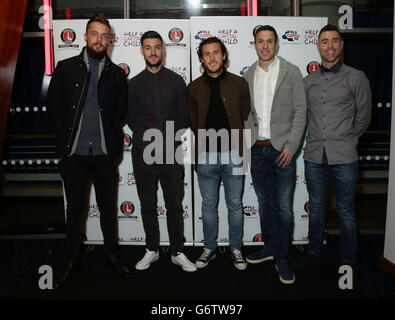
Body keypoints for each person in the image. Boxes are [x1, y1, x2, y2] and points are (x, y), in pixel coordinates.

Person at [47, 15, 129, 289]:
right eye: (94, 34)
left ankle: (111, 255)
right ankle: (71, 259)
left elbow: (120, 114)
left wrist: (113, 145)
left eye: (105, 36)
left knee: (108, 210)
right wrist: (64, 143)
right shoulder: (66, 68)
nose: (99, 40)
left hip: (104, 156)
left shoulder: (117, 74)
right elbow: (53, 108)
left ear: (110, 40)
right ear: (85, 36)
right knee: (75, 211)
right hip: (74, 156)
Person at [303, 24, 371, 267]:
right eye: (324, 41)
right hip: (313, 157)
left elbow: (364, 115)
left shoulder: (356, 77)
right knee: (317, 209)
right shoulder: (308, 80)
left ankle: (348, 259)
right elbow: (304, 116)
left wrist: (349, 138)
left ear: (341, 45)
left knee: (346, 211)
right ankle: (313, 253)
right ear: (318, 46)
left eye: (334, 41)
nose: (329, 46)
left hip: (344, 157)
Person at [127, 30, 196, 272]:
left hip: (171, 152)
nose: (153, 52)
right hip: (143, 152)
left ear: (163, 50)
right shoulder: (133, 84)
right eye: (148, 47)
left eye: (157, 47)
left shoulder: (177, 82)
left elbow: (183, 118)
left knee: (174, 204)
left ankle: (177, 250)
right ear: (142, 51)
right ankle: (152, 249)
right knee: (147, 204)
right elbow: (131, 119)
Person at [244, 25, 307, 284]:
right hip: (258, 149)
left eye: (270, 41)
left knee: (283, 207)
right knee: (264, 203)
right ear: (255, 44)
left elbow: (301, 112)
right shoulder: (247, 75)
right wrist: (247, 144)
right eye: (261, 41)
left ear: (277, 44)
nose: (265, 45)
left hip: (283, 149)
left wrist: (292, 146)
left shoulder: (291, 71)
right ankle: (270, 248)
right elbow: (246, 114)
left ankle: (282, 257)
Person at [187, 37, 250, 270]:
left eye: (216, 53)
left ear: (224, 55)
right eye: (207, 54)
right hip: (205, 155)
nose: (212, 57)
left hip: (234, 152)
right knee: (208, 204)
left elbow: (244, 116)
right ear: (201, 59)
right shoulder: (193, 88)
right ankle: (209, 248)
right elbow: (193, 121)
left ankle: (236, 248)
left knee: (235, 203)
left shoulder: (239, 84)